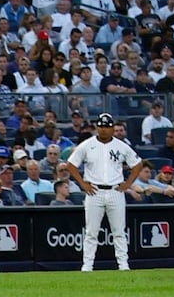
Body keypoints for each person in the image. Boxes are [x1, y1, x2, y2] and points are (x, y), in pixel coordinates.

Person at [60, 112, 146, 271]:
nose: (104, 130)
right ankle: (87, 265)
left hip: (115, 191)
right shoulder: (87, 144)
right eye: (101, 126)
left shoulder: (121, 146)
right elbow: (71, 164)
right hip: (94, 191)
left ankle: (123, 264)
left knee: (119, 231)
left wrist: (128, 183)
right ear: (97, 127)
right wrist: (82, 184)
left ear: (112, 128)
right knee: (91, 231)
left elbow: (138, 164)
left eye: (107, 127)